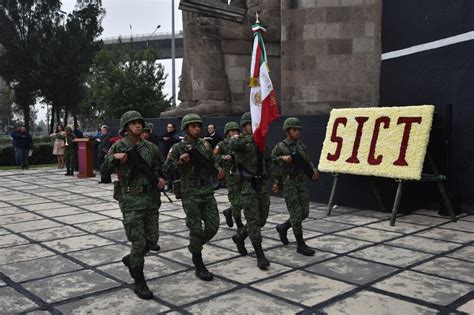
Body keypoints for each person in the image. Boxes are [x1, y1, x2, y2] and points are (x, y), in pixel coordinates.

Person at [101, 110, 165, 300]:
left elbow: (160, 167)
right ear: (126, 127)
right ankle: (139, 280)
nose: (138, 125)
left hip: (151, 200)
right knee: (138, 242)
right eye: (133, 123)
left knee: (152, 241)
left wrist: (162, 178)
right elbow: (104, 170)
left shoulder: (150, 147)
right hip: (131, 201)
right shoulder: (119, 146)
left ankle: (131, 260)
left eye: (139, 122)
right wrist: (115, 159)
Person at [163, 113, 224, 281]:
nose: (197, 128)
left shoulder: (205, 145)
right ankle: (199, 264)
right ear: (186, 129)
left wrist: (219, 169)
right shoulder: (177, 147)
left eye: (199, 125)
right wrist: (180, 162)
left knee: (213, 226)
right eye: (193, 126)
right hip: (189, 192)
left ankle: (194, 246)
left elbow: (214, 160)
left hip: (206, 190)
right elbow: (166, 169)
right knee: (196, 229)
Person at [230, 112, 273, 270]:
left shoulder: (261, 142)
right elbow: (232, 146)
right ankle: (260, 254)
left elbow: (268, 160)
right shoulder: (241, 141)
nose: (254, 127)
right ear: (244, 127)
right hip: (248, 185)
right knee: (254, 221)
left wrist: (273, 180)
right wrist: (245, 137)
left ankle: (240, 237)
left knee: (262, 219)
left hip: (261, 185)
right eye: (251, 124)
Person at [271, 117, 320, 256]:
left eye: (298, 129)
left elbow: (307, 160)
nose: (297, 132)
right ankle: (300, 244)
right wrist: (281, 159)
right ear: (287, 131)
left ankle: (283, 227)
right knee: (296, 214)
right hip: (289, 183)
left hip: (300, 182)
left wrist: (313, 171)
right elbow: (270, 162)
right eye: (294, 129)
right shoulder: (281, 147)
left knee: (304, 212)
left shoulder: (301, 145)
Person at [214, 121, 243, 231]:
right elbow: (213, 157)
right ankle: (239, 223)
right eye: (232, 131)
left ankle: (229, 211)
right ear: (227, 133)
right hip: (230, 176)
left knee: (244, 200)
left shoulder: (242, 142)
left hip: (243, 175)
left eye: (236, 131)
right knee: (235, 200)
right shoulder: (222, 144)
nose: (235, 133)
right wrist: (223, 159)